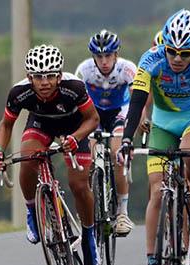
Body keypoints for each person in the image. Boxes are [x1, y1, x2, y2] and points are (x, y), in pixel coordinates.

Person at [118, 9, 190, 265]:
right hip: (163, 124)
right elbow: (136, 104)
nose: (177, 58)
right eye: (172, 51)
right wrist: (126, 138)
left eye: (184, 53)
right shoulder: (151, 58)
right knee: (157, 193)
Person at [0, 45, 101, 265]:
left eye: (50, 76)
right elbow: (6, 124)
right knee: (28, 158)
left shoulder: (74, 88)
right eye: (38, 77)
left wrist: (75, 137)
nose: (45, 82)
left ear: (59, 75)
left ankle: (89, 235)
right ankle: (33, 211)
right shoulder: (19, 92)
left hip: (75, 127)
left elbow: (93, 118)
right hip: (41, 125)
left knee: (79, 185)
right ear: (29, 77)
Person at [75, 30, 137, 236]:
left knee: (117, 153)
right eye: (99, 56)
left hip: (120, 112)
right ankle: (93, 199)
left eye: (108, 55)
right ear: (93, 57)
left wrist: (139, 122)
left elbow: (138, 101)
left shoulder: (127, 70)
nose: (104, 61)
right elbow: (76, 105)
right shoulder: (84, 71)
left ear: (116, 54)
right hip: (95, 115)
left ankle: (122, 213)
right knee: (89, 155)